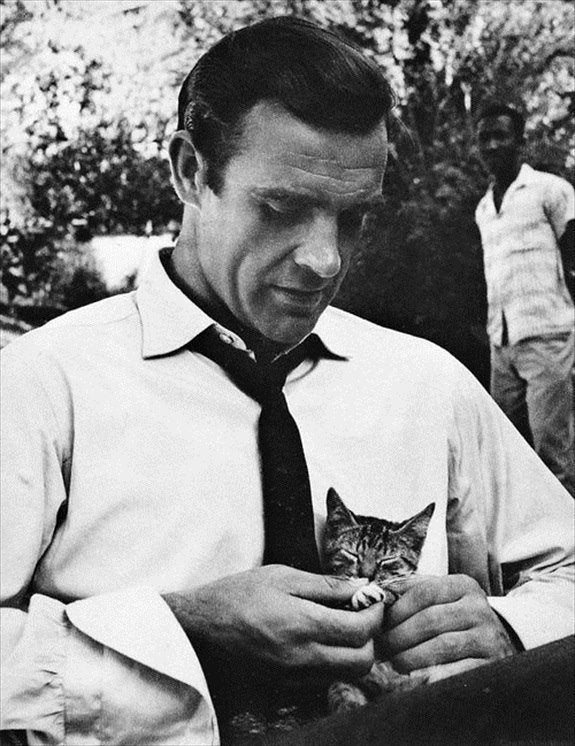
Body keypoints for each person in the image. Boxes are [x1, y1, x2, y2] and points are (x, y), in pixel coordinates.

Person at [1, 18, 573, 746]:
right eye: (281, 209)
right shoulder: (42, 386)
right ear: (189, 171)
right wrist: (182, 631)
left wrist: (508, 629)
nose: (325, 260)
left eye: (354, 218)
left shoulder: (426, 383)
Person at [475, 101, 575, 496]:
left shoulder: (551, 190)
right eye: (484, 138)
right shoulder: (484, 208)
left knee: (553, 453)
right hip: (502, 344)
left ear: (521, 142)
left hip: (548, 336)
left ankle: (565, 530)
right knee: (505, 452)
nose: (492, 146)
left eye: (501, 136)